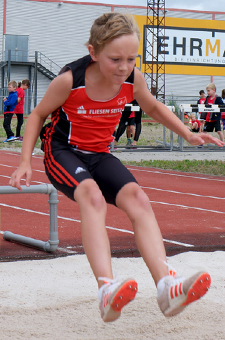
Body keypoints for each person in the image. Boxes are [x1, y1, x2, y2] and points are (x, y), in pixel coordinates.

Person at [9, 13, 223, 323]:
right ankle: (106, 289)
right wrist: (25, 162)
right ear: (93, 52)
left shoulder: (133, 78)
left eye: (130, 59)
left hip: (99, 153)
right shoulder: (71, 80)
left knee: (138, 199)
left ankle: (166, 286)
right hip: (63, 151)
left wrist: (187, 133)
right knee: (92, 197)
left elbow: (151, 105)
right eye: (115, 59)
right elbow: (36, 115)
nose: (124, 67)